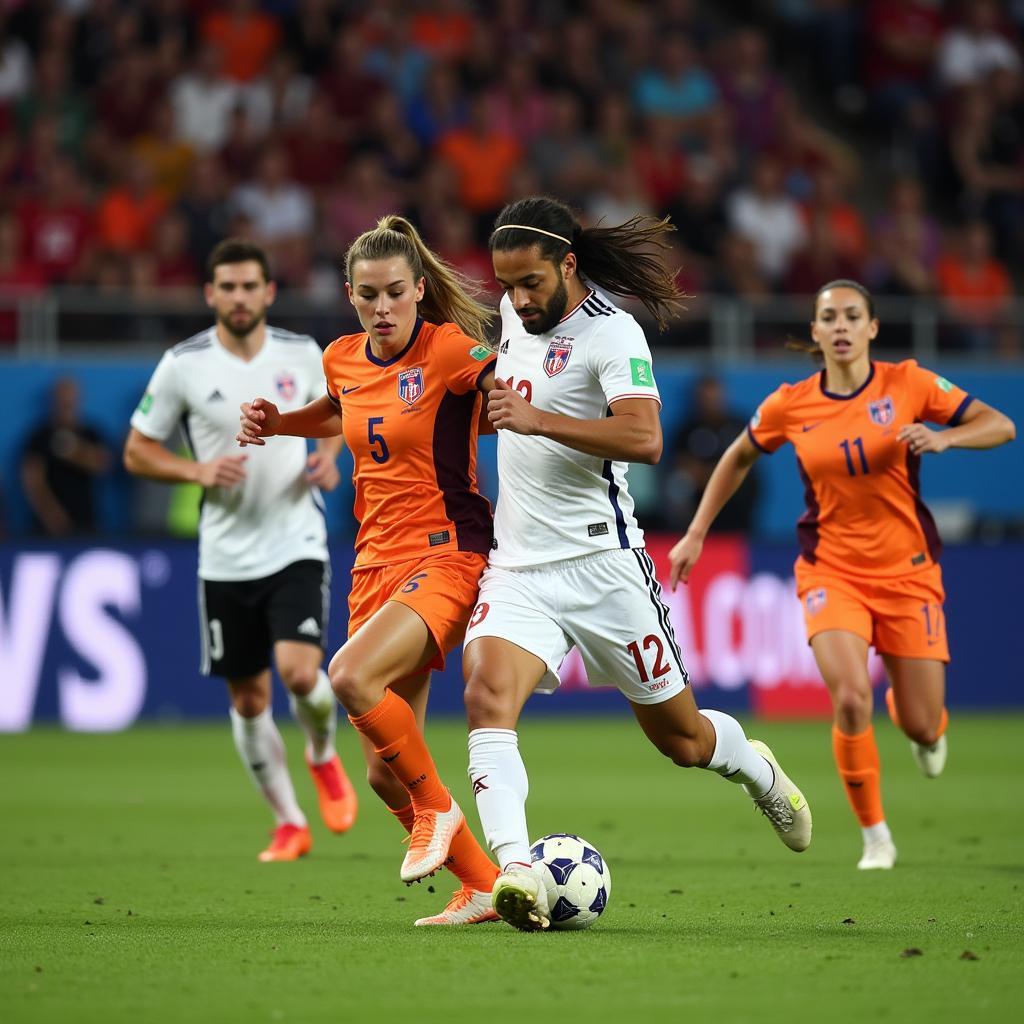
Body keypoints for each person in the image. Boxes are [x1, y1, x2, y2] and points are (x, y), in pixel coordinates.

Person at [461, 196, 813, 932]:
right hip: (520, 566)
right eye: (506, 285)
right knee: (487, 695)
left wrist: (536, 420)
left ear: (567, 264)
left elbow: (646, 438)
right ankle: (514, 870)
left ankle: (754, 767)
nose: (517, 300)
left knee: (682, 741)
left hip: (603, 565)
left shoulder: (612, 333)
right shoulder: (512, 320)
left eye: (529, 283)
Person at [669, 279, 1016, 871]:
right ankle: (876, 836)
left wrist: (946, 435)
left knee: (923, 721)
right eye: (829, 316)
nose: (841, 326)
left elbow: (1001, 424)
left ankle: (924, 729)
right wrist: (698, 530)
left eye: (853, 316)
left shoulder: (907, 383)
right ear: (815, 331)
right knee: (851, 699)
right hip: (831, 571)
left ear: (872, 327)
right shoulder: (791, 402)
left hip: (910, 573)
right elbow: (739, 455)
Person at [236, 215, 502, 926]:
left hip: (447, 550)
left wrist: (529, 397)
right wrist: (278, 423)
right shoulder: (343, 357)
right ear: (349, 296)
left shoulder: (448, 349)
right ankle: (484, 887)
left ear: (419, 288)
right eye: (366, 296)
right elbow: (340, 411)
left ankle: (440, 811)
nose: (381, 308)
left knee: (349, 677)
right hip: (374, 562)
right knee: (385, 772)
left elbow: (505, 382)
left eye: (393, 293)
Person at [124, 238, 357, 863]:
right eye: (226, 287)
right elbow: (136, 450)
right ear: (210, 295)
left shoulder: (302, 353)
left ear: (268, 292)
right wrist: (196, 473)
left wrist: (328, 459)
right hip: (224, 556)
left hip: (295, 540)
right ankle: (289, 822)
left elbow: (336, 417)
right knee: (249, 699)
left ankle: (323, 755)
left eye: (249, 286)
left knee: (301, 672)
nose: (238, 297)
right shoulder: (183, 364)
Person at [22, 376, 112, 536]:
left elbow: (103, 465)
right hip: (46, 526)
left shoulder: (91, 433)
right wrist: (51, 514)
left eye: (70, 397)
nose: (66, 402)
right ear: (54, 399)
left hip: (86, 522)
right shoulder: (39, 436)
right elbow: (32, 480)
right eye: (62, 397)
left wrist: (74, 451)